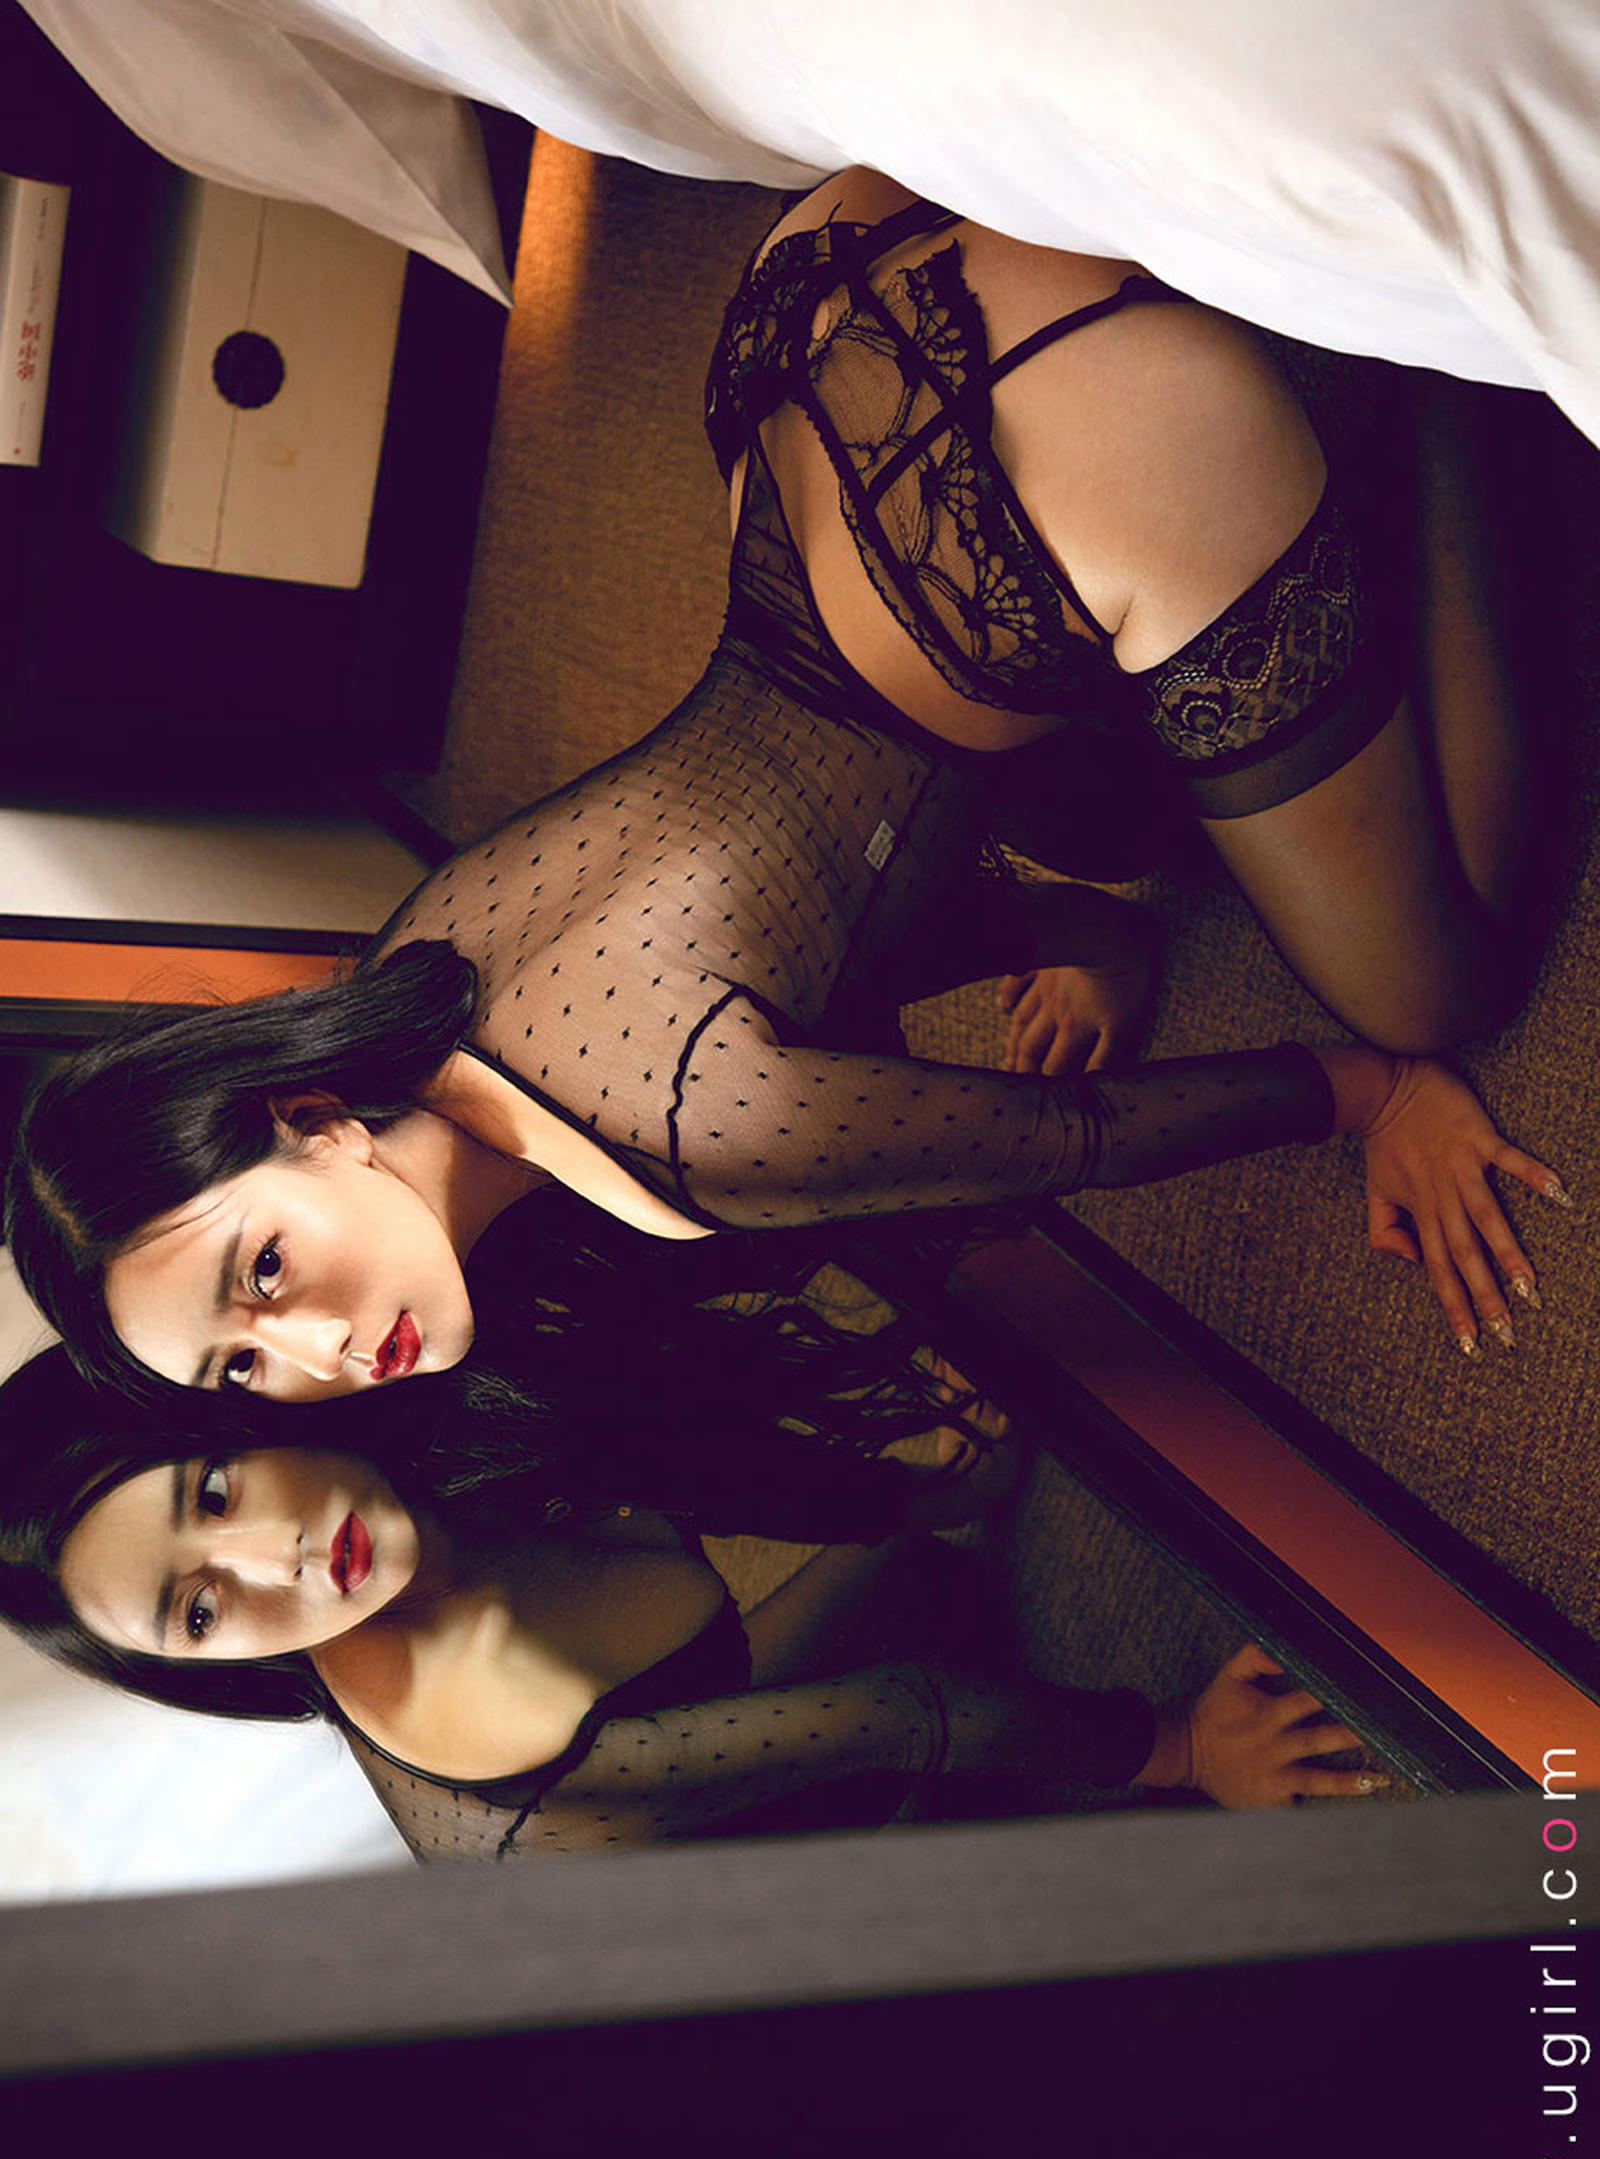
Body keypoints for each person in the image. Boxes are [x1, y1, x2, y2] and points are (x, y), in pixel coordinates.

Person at [6, 176, 1563, 1397]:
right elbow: (817, 918)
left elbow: (1076, 1135)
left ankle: (1439, 360)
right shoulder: (416, 962)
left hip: (1035, 469)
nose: (317, 1354)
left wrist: (1371, 1094)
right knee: (1100, 829)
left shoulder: (689, 1145)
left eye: (264, 1275)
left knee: (1436, 987)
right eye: (240, 1371)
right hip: (808, 318)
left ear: (311, 1123)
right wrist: (1082, 932)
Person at [0, 1346, 1382, 1859]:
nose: (280, 1564)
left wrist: (918, 1494)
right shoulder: (516, 1781)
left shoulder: (427, 1415)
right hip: (757, 1923)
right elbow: (901, 1714)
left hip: (705, 1717)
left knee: (939, 1560)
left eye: (215, 1493)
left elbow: (688, 1444)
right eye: (198, 1613)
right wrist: (1177, 1748)